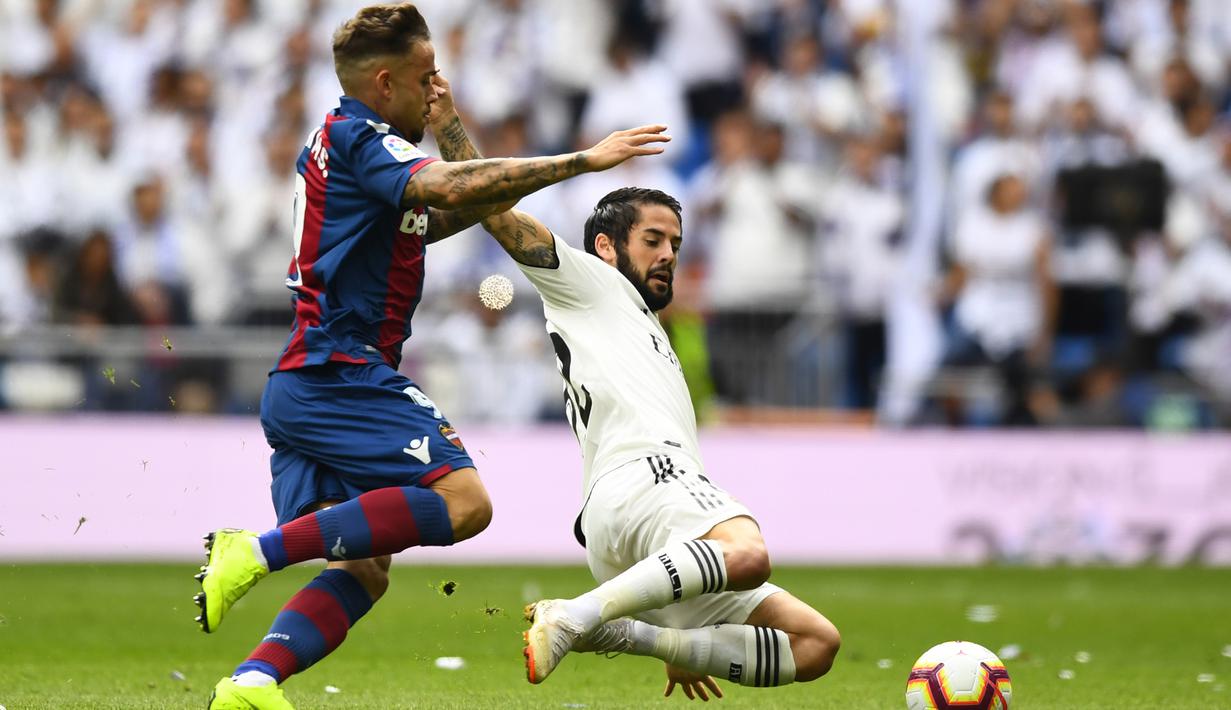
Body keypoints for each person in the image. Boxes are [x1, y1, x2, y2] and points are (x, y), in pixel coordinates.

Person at [195, 4, 669, 709]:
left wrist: (449, 126)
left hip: (303, 378)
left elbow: (463, 204)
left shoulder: (343, 147)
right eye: (425, 78)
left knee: (365, 570)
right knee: (465, 503)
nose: (435, 88)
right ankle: (253, 552)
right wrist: (580, 161)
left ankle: (252, 682)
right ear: (384, 83)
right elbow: (449, 187)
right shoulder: (359, 137)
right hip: (340, 370)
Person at [479, 188, 841, 699]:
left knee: (815, 644)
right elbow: (496, 212)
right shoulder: (591, 282)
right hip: (649, 480)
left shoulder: (632, 320)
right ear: (606, 246)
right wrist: (447, 121)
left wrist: (687, 648)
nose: (669, 253)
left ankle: (651, 637)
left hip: (620, 527)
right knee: (746, 552)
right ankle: (577, 615)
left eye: (675, 242)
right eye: (653, 239)